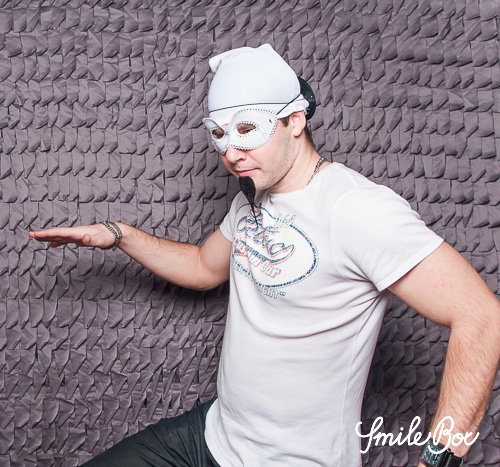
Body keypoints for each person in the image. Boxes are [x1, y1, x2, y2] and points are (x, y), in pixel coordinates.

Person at [29, 44, 500, 467]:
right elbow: (202, 266)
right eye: (220, 134)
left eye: (247, 130)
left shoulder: (357, 210)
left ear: (295, 120)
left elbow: (482, 318)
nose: (232, 153)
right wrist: (120, 235)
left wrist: (437, 462)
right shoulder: (254, 194)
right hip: (211, 436)